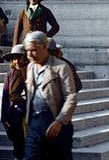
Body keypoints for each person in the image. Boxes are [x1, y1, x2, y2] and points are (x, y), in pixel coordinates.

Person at [23, 31, 76, 160]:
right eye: (27, 51)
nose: (30, 55)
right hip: (34, 123)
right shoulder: (30, 67)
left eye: (34, 50)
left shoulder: (61, 67)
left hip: (54, 122)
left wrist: (60, 120)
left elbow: (71, 96)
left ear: (44, 47)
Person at [1, 44, 28, 160]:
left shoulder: (28, 71)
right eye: (14, 58)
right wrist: (4, 117)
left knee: (24, 145)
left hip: (25, 115)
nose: (17, 61)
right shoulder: (10, 74)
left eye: (19, 58)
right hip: (14, 115)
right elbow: (6, 96)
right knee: (17, 145)